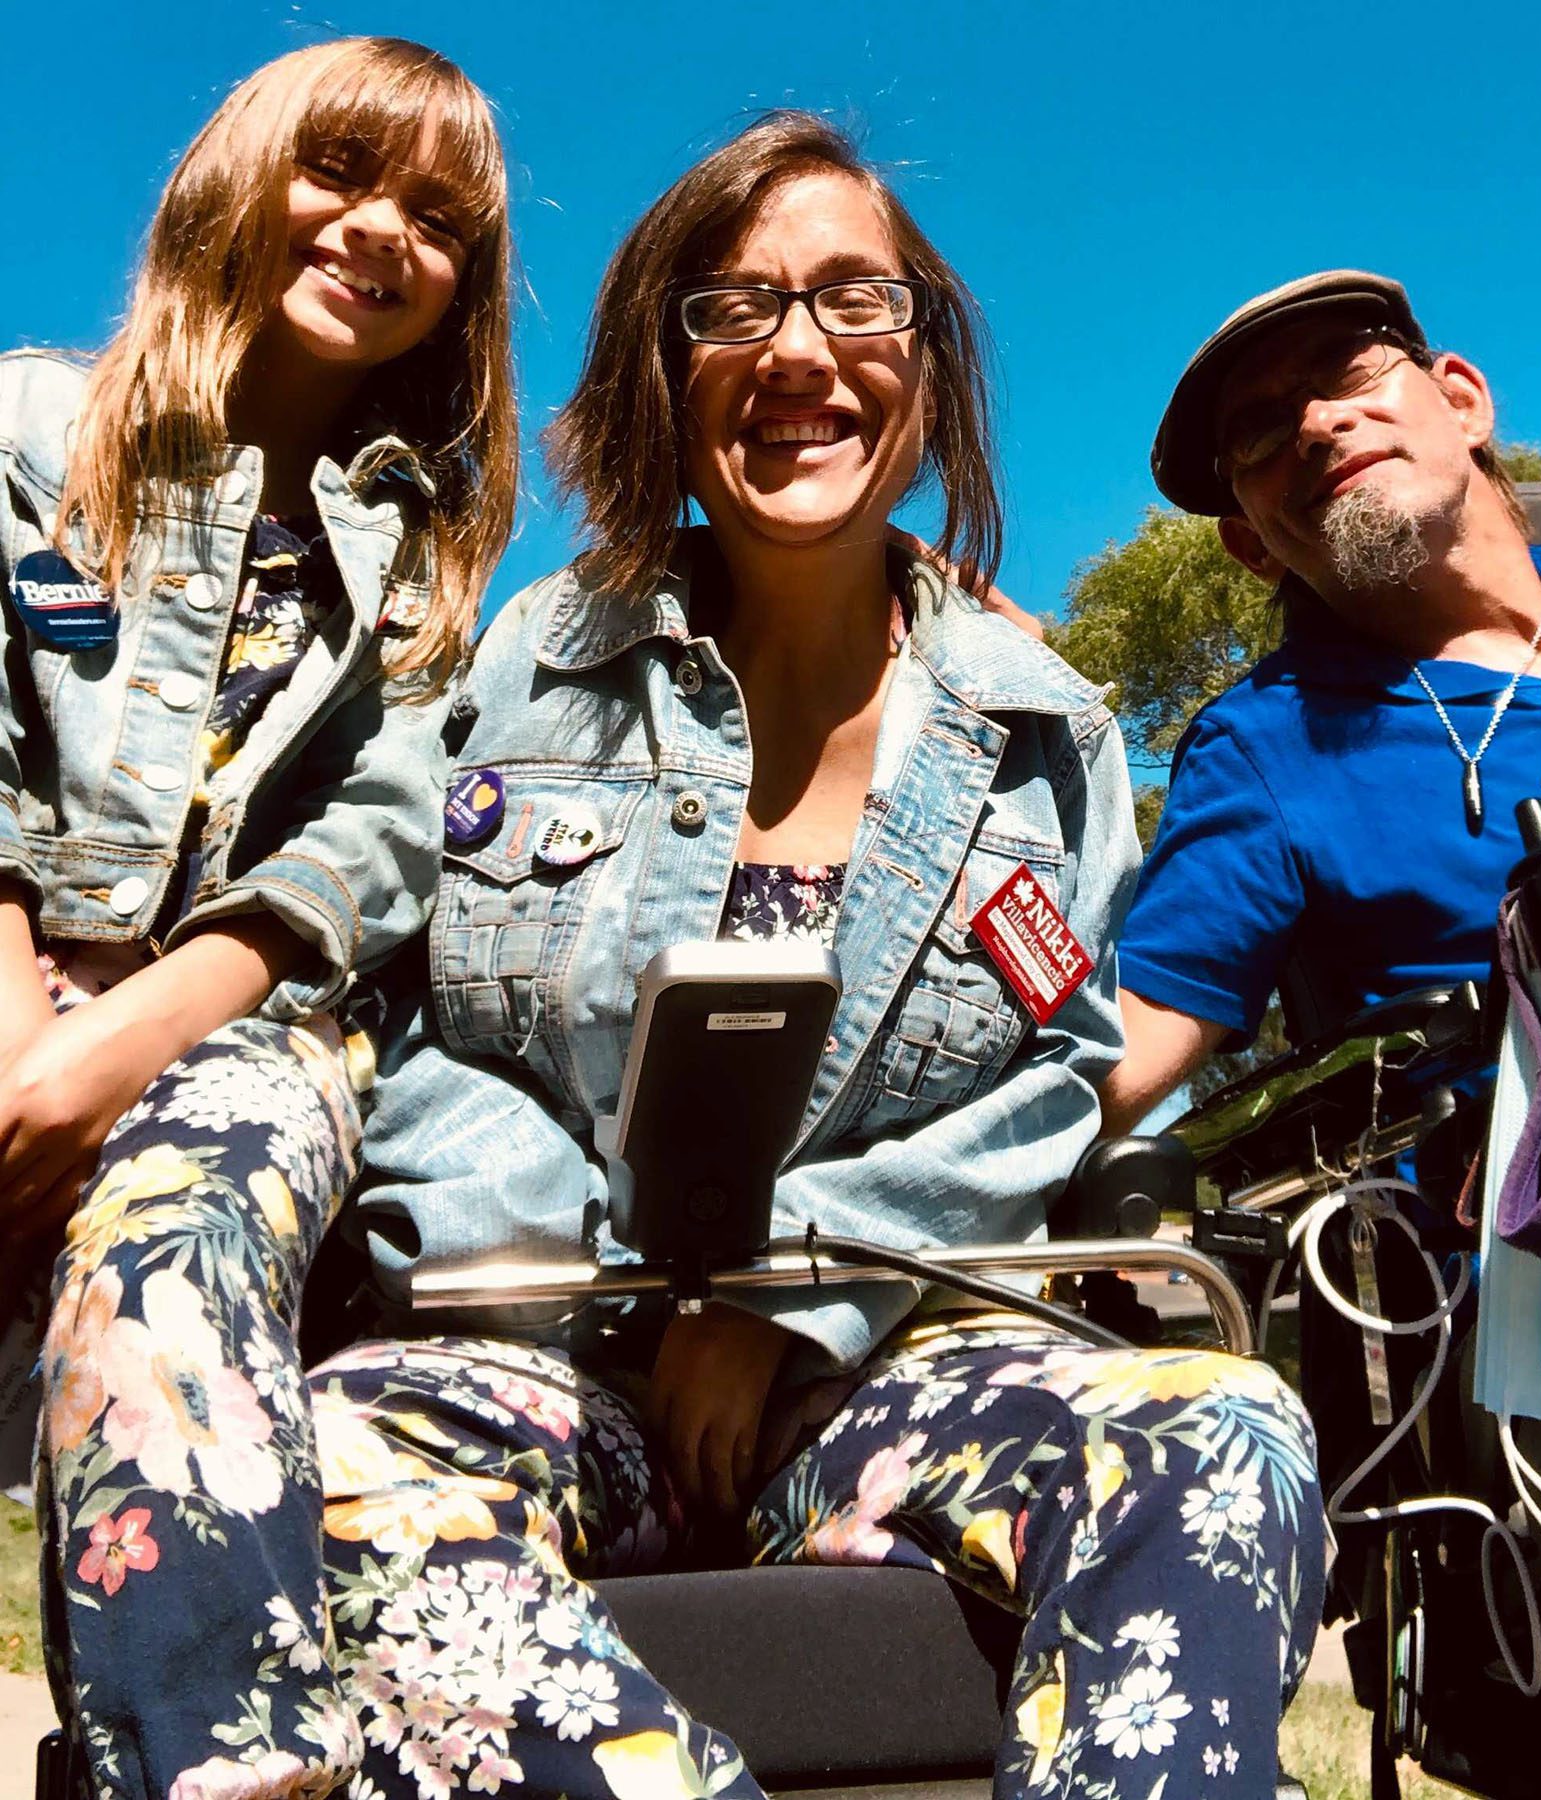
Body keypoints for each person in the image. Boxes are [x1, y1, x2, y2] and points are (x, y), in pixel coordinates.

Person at [316, 112, 1325, 1800]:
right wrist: (639, 1286)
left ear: (923, 373)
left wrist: (804, 1293)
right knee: (318, 1465)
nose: (800, 351)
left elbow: (1064, 1069)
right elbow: (418, 1025)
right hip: (541, 1355)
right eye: (735, 307)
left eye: (859, 302)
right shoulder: (530, 669)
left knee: (1219, 1435)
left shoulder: (1042, 735)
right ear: (665, 366)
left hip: (881, 1377)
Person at [4, 38, 518, 1797]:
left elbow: (370, 854)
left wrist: (108, 1062)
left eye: (439, 219)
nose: (382, 229)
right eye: (343, 172)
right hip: (16, 994)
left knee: (183, 1215)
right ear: (240, 174)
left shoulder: (431, 575)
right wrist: (23, 1043)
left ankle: (221, 1763)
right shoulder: (27, 436)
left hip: (246, 1029)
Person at [1101, 269, 1541, 1133]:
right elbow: (1128, 1049)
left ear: (1463, 401)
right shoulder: (1258, 746)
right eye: (1259, 433)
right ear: (1250, 544)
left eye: (1348, 371)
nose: (1317, 423)